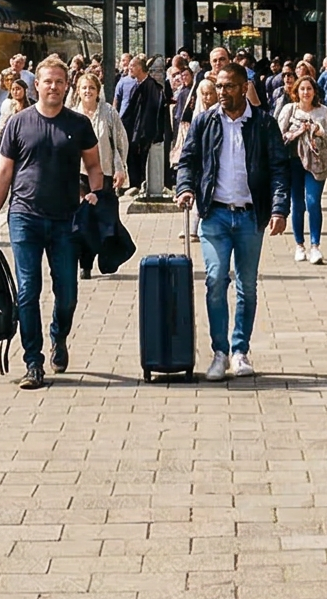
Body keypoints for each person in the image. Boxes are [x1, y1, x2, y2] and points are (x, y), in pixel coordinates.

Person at [0, 56, 105, 389]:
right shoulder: (18, 123)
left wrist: (95, 193)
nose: (53, 87)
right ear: (37, 85)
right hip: (24, 217)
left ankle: (58, 335)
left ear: (67, 86)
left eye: (59, 82)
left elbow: (94, 165)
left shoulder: (78, 125)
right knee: (27, 291)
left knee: (67, 293)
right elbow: (3, 172)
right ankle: (33, 362)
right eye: (47, 81)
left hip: (66, 219)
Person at [173, 61, 297, 380]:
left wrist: (279, 209)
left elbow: (279, 169)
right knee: (215, 280)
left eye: (228, 86)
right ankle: (219, 352)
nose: (221, 92)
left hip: (249, 217)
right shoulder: (204, 122)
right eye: (218, 86)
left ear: (244, 88)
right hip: (214, 215)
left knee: (247, 287)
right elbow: (187, 161)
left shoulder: (263, 125)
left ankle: (240, 350)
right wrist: (185, 188)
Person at [70, 67, 129, 279]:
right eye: (84, 88)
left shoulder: (109, 113)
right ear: (78, 91)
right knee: (84, 221)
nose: (88, 91)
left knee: (106, 220)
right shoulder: (72, 115)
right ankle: (85, 264)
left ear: (98, 90)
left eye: (92, 88)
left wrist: (120, 168)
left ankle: (108, 258)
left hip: (105, 173)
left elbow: (119, 144)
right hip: (79, 175)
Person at [277, 62, 327, 265]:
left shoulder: (323, 112)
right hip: (293, 161)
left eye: (309, 89)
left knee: (313, 202)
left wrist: (318, 131)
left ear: (314, 91)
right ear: (296, 91)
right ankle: (299, 244)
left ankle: (315, 246)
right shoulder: (289, 109)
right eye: (302, 89)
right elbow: (278, 135)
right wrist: (295, 132)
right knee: (297, 204)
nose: (306, 92)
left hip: (316, 162)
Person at [115, 54, 171, 195]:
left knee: (141, 158)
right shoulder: (137, 85)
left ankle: (140, 183)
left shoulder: (151, 87)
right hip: (134, 130)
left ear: (140, 68)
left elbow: (151, 113)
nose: (129, 68)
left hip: (144, 132)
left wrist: (144, 133)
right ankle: (136, 183)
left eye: (132, 66)